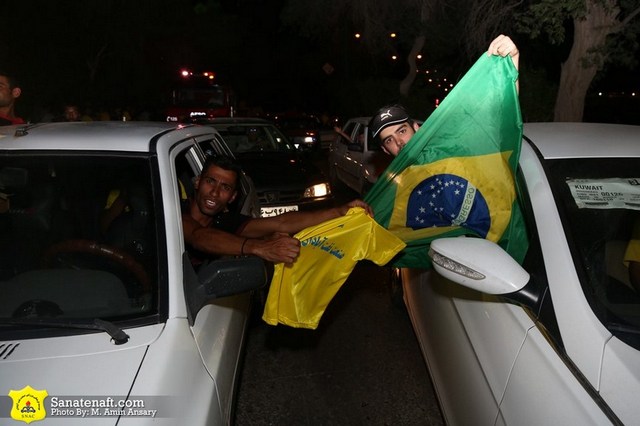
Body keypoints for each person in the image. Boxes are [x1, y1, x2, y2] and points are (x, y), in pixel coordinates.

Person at [182, 155, 373, 266]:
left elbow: (282, 222)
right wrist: (259, 247)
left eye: (225, 187)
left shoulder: (225, 222)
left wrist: (340, 211)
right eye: (210, 182)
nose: (215, 193)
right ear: (198, 182)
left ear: (232, 197)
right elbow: (199, 237)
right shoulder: (176, 210)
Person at [369, 34, 520, 157]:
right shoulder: (392, 188)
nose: (399, 143)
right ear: (384, 150)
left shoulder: (448, 153)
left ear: (416, 128)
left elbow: (498, 123)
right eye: (389, 140)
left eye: (402, 131)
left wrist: (511, 63)